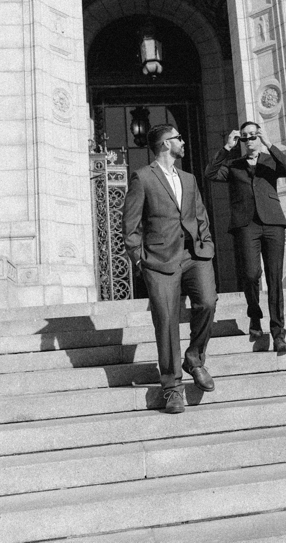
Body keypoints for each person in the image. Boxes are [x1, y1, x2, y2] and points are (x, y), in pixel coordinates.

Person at [123, 124, 217, 414]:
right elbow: (130, 225)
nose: (183, 141)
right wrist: (139, 259)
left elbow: (200, 215)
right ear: (166, 144)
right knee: (166, 321)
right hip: (159, 260)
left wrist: (206, 244)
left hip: (193, 255)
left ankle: (194, 358)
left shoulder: (189, 178)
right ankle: (172, 388)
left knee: (207, 302)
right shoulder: (142, 177)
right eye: (178, 138)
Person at [205, 120, 286, 354]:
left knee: (274, 278)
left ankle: (278, 334)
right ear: (241, 140)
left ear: (259, 137)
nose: (250, 140)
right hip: (246, 225)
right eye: (245, 136)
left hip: (272, 223)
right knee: (250, 273)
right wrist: (227, 147)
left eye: (253, 135)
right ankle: (254, 315)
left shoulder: (270, 161)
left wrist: (269, 143)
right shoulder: (234, 165)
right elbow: (210, 173)